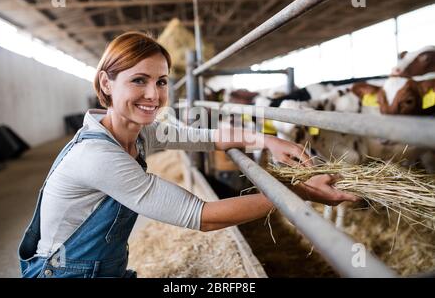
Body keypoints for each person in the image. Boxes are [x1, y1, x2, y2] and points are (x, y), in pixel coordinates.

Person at [18, 32, 358, 278]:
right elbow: (205, 216)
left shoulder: (138, 131)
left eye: (162, 82)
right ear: (106, 83)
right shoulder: (97, 156)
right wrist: (299, 192)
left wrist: (267, 140)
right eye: (139, 80)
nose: (154, 95)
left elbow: (207, 137)